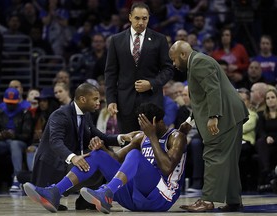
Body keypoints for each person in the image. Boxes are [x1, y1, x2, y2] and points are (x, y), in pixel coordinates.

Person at [23, 103, 187, 213]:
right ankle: (55, 192)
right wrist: (102, 148)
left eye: (145, 125)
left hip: (160, 197)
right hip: (134, 199)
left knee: (135, 155)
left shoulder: (176, 137)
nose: (142, 129)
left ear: (155, 122)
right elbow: (116, 158)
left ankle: (107, 192)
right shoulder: (141, 137)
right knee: (98, 155)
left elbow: (167, 168)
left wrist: (152, 137)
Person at [169, 40, 249, 212]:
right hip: (231, 114)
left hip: (225, 116)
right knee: (229, 160)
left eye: (174, 60)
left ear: (183, 54)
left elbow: (213, 90)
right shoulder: (197, 62)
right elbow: (202, 98)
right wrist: (189, 121)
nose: (174, 64)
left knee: (213, 154)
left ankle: (207, 200)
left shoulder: (198, 62)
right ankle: (234, 201)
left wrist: (214, 116)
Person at [31, 82, 134, 211]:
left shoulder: (86, 115)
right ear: (83, 99)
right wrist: (73, 157)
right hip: (53, 165)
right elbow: (56, 142)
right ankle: (52, 192)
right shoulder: (61, 115)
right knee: (94, 159)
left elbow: (101, 136)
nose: (99, 102)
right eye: (95, 99)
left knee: (103, 154)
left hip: (68, 162)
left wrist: (122, 137)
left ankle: (84, 201)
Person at [105, 2, 174, 134]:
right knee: (128, 146)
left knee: (152, 147)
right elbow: (111, 73)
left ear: (148, 18)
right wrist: (111, 100)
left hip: (151, 102)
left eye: (145, 18)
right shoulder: (116, 40)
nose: (141, 22)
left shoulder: (159, 39)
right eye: (137, 18)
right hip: (125, 103)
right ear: (130, 17)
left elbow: (168, 69)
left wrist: (152, 83)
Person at [0, 88, 33, 192]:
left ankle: (16, 178)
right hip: (2, 143)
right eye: (8, 103)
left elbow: (27, 135)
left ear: (18, 101)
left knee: (14, 144)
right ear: (4, 101)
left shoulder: (25, 111)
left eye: (13, 103)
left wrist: (14, 135)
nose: (10, 105)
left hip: (19, 143)